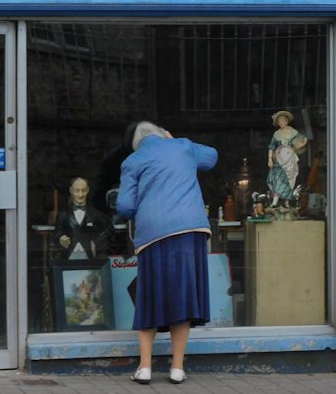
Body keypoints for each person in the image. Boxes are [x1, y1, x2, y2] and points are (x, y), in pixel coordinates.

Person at [116, 121, 218, 385]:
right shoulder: (182, 146)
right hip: (190, 230)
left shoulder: (133, 160)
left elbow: (125, 206)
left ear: (136, 144)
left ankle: (146, 367)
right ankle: (177, 368)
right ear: (163, 134)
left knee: (149, 295)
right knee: (182, 295)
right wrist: (176, 139)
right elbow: (211, 157)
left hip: (154, 235)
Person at [52, 177, 114, 260]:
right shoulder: (63, 214)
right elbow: (57, 233)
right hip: (68, 257)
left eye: (83, 190)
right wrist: (60, 239)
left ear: (88, 190)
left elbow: (109, 229)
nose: (80, 195)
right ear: (71, 191)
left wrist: (96, 242)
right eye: (77, 191)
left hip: (90, 257)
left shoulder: (95, 213)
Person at [266, 110, 308, 206]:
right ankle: (275, 201)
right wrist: (269, 160)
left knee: (290, 180)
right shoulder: (276, 134)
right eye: (279, 122)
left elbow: (303, 138)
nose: (281, 123)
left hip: (290, 158)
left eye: (282, 121)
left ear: (286, 121)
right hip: (279, 158)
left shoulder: (293, 132)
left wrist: (301, 144)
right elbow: (271, 147)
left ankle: (287, 202)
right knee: (278, 179)